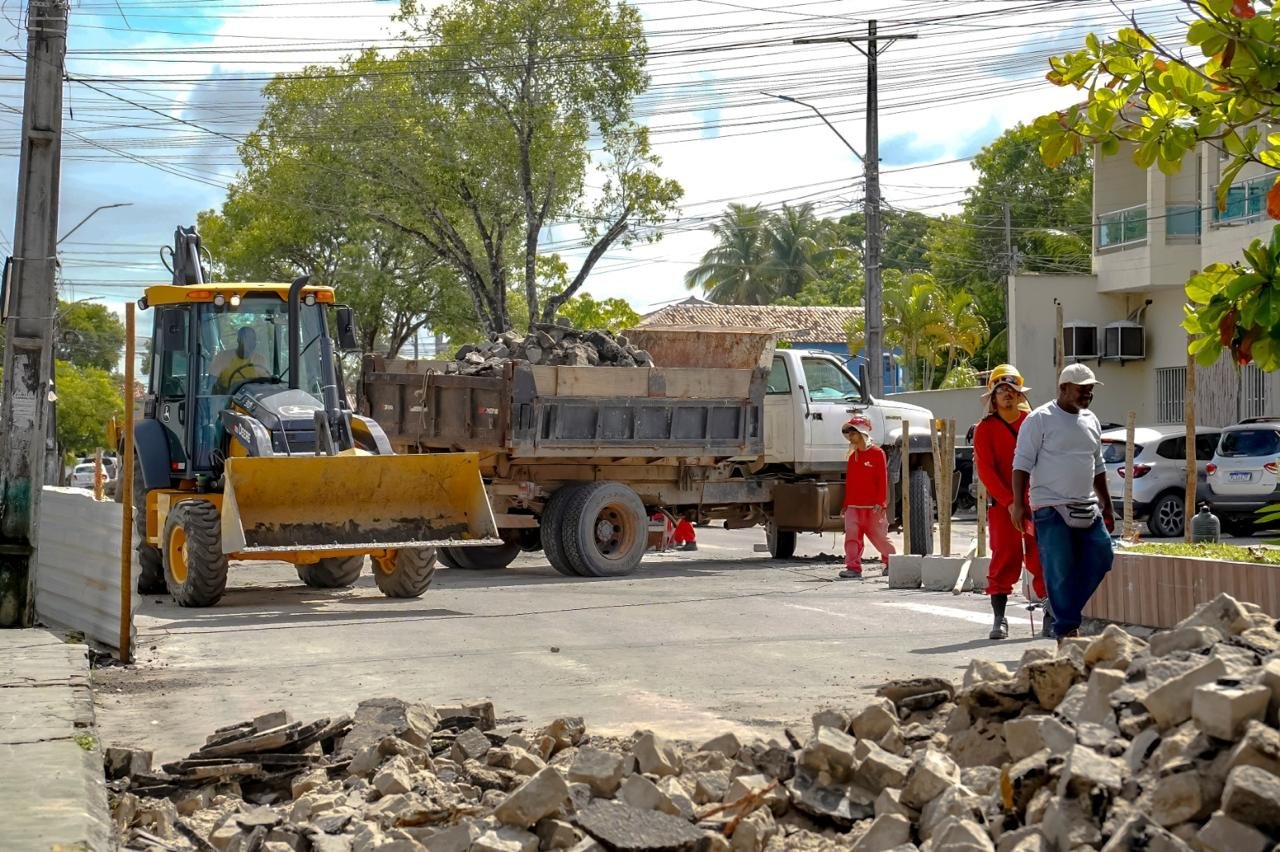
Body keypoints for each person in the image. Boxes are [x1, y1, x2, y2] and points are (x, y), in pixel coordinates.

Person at [1011, 364, 1115, 641]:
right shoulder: (1039, 419)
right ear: (1063, 388)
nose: (1087, 395)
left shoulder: (1091, 419)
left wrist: (1108, 503)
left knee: (1102, 557)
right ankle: (1067, 629)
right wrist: (1019, 504)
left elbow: (1098, 464)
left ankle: (1062, 610)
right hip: (1050, 506)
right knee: (1059, 568)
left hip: (1087, 504)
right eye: (1082, 390)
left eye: (1090, 390)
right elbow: (1021, 464)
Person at [973, 365, 1049, 640]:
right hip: (1003, 506)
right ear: (993, 397)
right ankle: (999, 618)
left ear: (1020, 396)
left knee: (1042, 557)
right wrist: (1008, 502)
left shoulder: (1034, 423)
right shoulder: (985, 429)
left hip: (1037, 501)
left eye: (1012, 391)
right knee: (1005, 557)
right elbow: (986, 471)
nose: (1007, 395)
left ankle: (1050, 615)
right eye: (1001, 390)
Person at [840, 414, 895, 580]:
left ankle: (892, 563)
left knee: (880, 539)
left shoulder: (878, 453)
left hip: (873, 507)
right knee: (851, 538)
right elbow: (850, 483)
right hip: (854, 507)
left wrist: (881, 502)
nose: (850, 436)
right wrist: (846, 504)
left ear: (862, 433)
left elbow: (882, 479)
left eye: (853, 432)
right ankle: (853, 568)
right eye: (849, 433)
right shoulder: (852, 457)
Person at [211, 326, 269, 393]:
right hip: (226, 399)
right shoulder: (222, 357)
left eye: (253, 339)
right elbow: (211, 384)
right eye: (246, 338)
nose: (250, 342)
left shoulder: (260, 360)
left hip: (250, 399)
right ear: (238, 340)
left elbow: (265, 385)